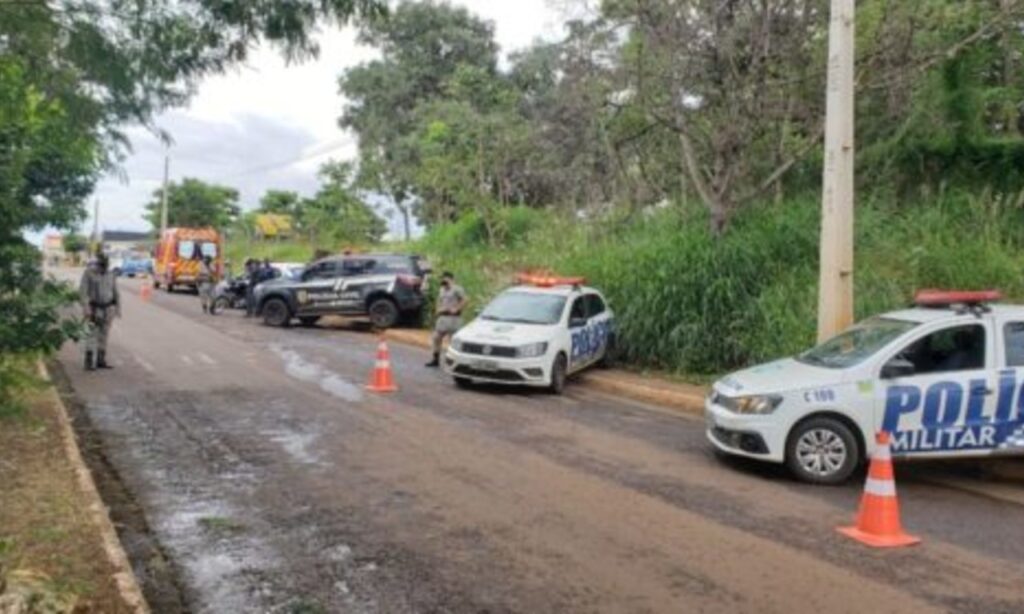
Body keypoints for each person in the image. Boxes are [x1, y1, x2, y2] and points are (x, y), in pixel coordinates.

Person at [79, 252, 120, 371]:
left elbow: (115, 292)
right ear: (97, 263)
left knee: (104, 335)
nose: (103, 267)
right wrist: (86, 309)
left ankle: (100, 360)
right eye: (101, 265)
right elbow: (82, 292)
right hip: (93, 309)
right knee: (91, 334)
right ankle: (88, 361)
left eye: (106, 265)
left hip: (108, 309)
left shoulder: (111, 274)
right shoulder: (89, 273)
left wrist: (117, 308)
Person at [426, 271, 466, 367]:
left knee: (453, 341)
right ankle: (435, 359)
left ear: (450, 279)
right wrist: (437, 310)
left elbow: (465, 299)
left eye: (445, 278)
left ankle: (453, 362)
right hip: (442, 317)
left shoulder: (457, 289)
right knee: (436, 338)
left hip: (453, 319)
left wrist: (457, 308)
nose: (443, 280)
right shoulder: (442, 289)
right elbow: (439, 300)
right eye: (442, 278)